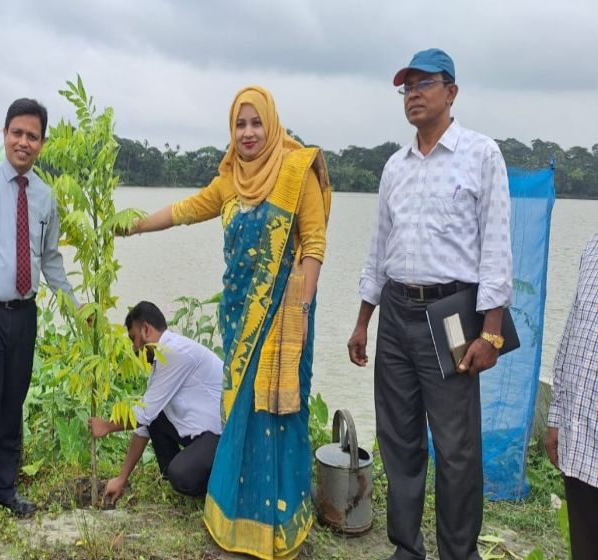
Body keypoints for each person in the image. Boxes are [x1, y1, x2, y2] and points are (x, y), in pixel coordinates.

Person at [128, 86, 330, 559]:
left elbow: (314, 246)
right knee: (241, 412)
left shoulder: (296, 172)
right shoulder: (230, 183)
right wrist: (133, 226)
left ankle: (279, 521)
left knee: (276, 413)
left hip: (283, 320)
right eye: (240, 124)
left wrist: (298, 312)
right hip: (240, 322)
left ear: (272, 123)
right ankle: (238, 519)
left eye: (256, 122)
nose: (248, 133)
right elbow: (182, 211)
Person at [347, 48, 512, 560]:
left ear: (452, 92)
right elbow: (379, 250)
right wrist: (362, 322)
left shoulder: (481, 155)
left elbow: (497, 250)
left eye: (424, 84)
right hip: (395, 312)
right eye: (406, 87)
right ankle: (406, 548)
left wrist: (492, 332)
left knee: (457, 448)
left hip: (452, 316)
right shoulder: (394, 167)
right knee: (398, 440)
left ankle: (458, 553)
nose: (413, 94)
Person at [0, 98, 77, 535]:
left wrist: (78, 308)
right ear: (4, 135)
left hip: (24, 315)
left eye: (33, 136)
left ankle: (6, 490)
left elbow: (51, 258)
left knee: (12, 405)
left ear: (42, 143)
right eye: (17, 133)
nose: (24, 142)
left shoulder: (44, 196)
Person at [88, 301, 223, 503]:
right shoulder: (160, 364)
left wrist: (107, 426)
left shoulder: (175, 352)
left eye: (134, 339)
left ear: (146, 329)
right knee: (157, 425)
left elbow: (144, 414)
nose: (134, 348)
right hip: (201, 436)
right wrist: (122, 478)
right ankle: (195, 475)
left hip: (221, 438)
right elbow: (144, 424)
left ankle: (219, 488)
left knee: (181, 475)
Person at [545, 232, 598, 559]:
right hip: (581, 443)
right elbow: (571, 335)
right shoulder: (592, 244)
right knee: (585, 545)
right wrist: (555, 419)